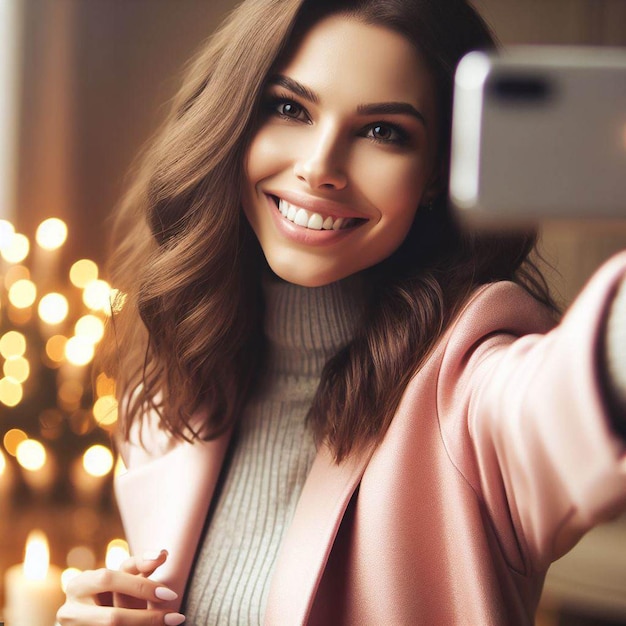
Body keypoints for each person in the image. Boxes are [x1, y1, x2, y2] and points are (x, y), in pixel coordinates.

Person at [57, 0, 626, 624]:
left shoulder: (473, 389)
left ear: (438, 172)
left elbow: (578, 390)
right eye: (290, 107)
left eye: (383, 131)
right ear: (236, 119)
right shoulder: (174, 381)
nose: (320, 167)